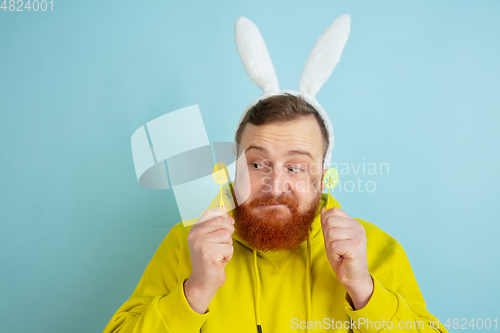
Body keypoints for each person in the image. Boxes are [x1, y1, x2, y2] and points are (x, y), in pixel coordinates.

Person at [103, 15, 448, 333]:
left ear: (325, 177)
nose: (275, 183)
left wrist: (364, 289)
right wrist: (195, 291)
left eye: (296, 167)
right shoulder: (186, 245)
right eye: (257, 164)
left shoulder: (376, 251)